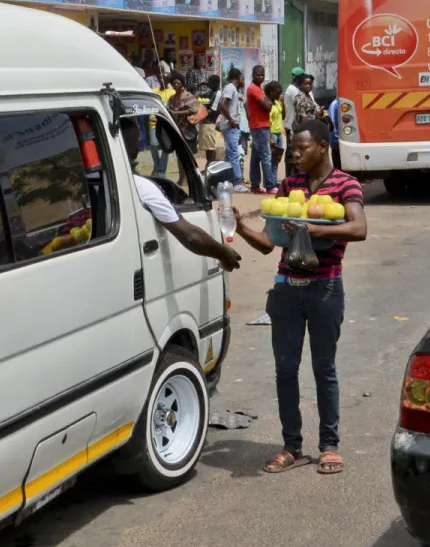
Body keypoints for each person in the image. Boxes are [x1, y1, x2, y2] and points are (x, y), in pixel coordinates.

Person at [233, 120, 367, 477]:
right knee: (285, 369)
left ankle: (329, 445)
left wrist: (312, 229)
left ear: (323, 147)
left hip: (325, 288)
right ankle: (291, 446)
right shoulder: (288, 186)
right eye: (292, 148)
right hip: (287, 289)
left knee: (324, 368)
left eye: (301, 148)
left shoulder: (345, 184)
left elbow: (358, 228)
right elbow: (267, 243)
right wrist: (240, 227)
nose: (294, 154)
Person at [122, 119, 242, 271]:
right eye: (138, 140)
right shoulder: (142, 187)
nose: (140, 144)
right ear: (136, 147)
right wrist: (224, 253)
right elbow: (190, 236)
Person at [216, 66, 250, 190]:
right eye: (242, 78)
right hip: (230, 126)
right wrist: (231, 120)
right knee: (234, 154)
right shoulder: (230, 88)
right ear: (237, 78)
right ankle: (237, 183)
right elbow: (222, 105)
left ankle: (228, 180)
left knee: (229, 155)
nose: (244, 81)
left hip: (231, 126)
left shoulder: (232, 89)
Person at [244, 65, 276, 193]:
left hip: (259, 125)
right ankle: (270, 185)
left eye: (262, 75)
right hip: (260, 125)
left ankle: (255, 185)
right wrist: (269, 100)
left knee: (256, 157)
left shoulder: (258, 88)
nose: (261, 77)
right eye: (258, 75)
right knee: (266, 156)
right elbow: (268, 106)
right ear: (253, 74)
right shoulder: (254, 89)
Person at [195, 74, 225, 166]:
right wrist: (202, 85)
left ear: (214, 83)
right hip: (206, 122)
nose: (208, 84)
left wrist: (200, 115)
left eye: (210, 82)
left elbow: (213, 110)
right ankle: (209, 165)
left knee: (210, 147)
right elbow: (201, 94)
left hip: (210, 123)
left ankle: (211, 166)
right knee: (208, 147)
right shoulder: (212, 91)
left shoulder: (218, 93)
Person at [263, 78, 286, 187]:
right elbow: (268, 122)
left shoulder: (277, 103)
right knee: (270, 159)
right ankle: (269, 182)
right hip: (272, 133)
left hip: (279, 133)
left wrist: (283, 102)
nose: (280, 94)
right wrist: (270, 138)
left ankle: (274, 180)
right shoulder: (269, 105)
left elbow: (283, 116)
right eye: (278, 92)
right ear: (272, 92)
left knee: (276, 159)